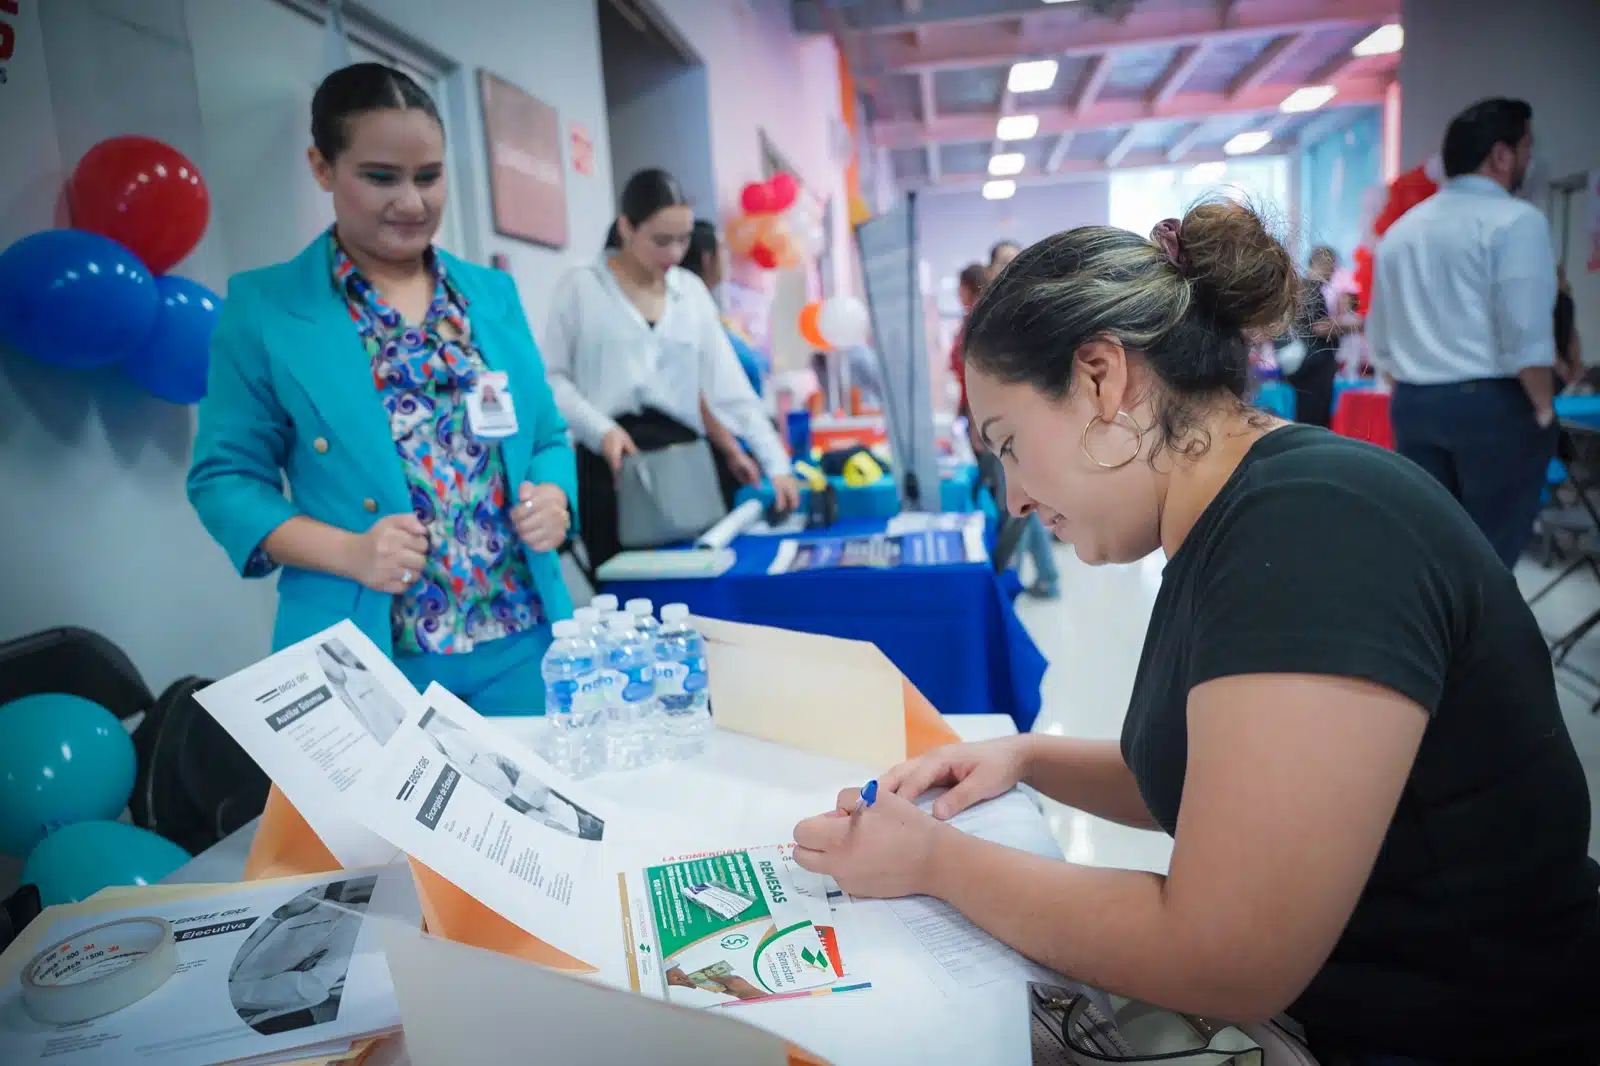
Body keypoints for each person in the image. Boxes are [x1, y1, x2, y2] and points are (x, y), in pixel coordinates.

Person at [790, 202, 1600, 1063]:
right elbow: (1227, 782)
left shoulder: (1311, 529)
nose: (1013, 497)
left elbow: (1226, 957)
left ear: (1102, 377)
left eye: (1010, 445)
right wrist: (1025, 759)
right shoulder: (1239, 517)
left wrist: (936, 864)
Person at [188, 63, 575, 715]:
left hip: (523, 637)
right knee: (381, 821)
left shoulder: (490, 295)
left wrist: (555, 494)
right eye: (380, 177)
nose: (412, 202)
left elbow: (546, 437)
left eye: (429, 176)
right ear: (322, 167)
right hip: (371, 650)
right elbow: (224, 480)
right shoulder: (267, 309)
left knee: (538, 818)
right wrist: (349, 551)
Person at [543, 170, 799, 565]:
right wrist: (601, 430)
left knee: (694, 591)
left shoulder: (691, 294)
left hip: (683, 466)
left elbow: (729, 389)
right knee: (624, 599)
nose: (676, 253)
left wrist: (776, 465)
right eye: (662, 240)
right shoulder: (581, 287)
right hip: (610, 467)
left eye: (684, 239)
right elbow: (554, 381)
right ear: (627, 228)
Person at [1366, 98, 1559, 567]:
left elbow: (1382, 339)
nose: (1531, 160)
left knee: (1431, 553)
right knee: (1490, 559)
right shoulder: (1517, 221)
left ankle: (1437, 640)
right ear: (1501, 155)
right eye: (1527, 146)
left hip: (1414, 404)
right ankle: (1485, 642)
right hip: (1492, 406)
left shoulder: (1402, 231)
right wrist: (1544, 409)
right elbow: (1525, 332)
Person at [1285, 245, 1344, 428]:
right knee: (1314, 420)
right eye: (1332, 266)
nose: (1334, 272)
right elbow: (1319, 327)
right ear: (1322, 263)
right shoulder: (1311, 290)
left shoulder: (1301, 289)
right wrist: (1350, 325)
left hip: (1306, 368)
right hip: (1314, 369)